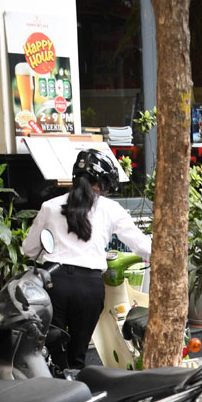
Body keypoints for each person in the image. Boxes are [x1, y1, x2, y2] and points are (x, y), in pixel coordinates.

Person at [22, 148, 152, 370]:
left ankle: (58, 389)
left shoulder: (50, 206)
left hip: (55, 282)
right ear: (102, 182)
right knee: (79, 354)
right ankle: (80, 390)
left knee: (56, 352)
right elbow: (141, 245)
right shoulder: (111, 209)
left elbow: (29, 249)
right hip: (89, 287)